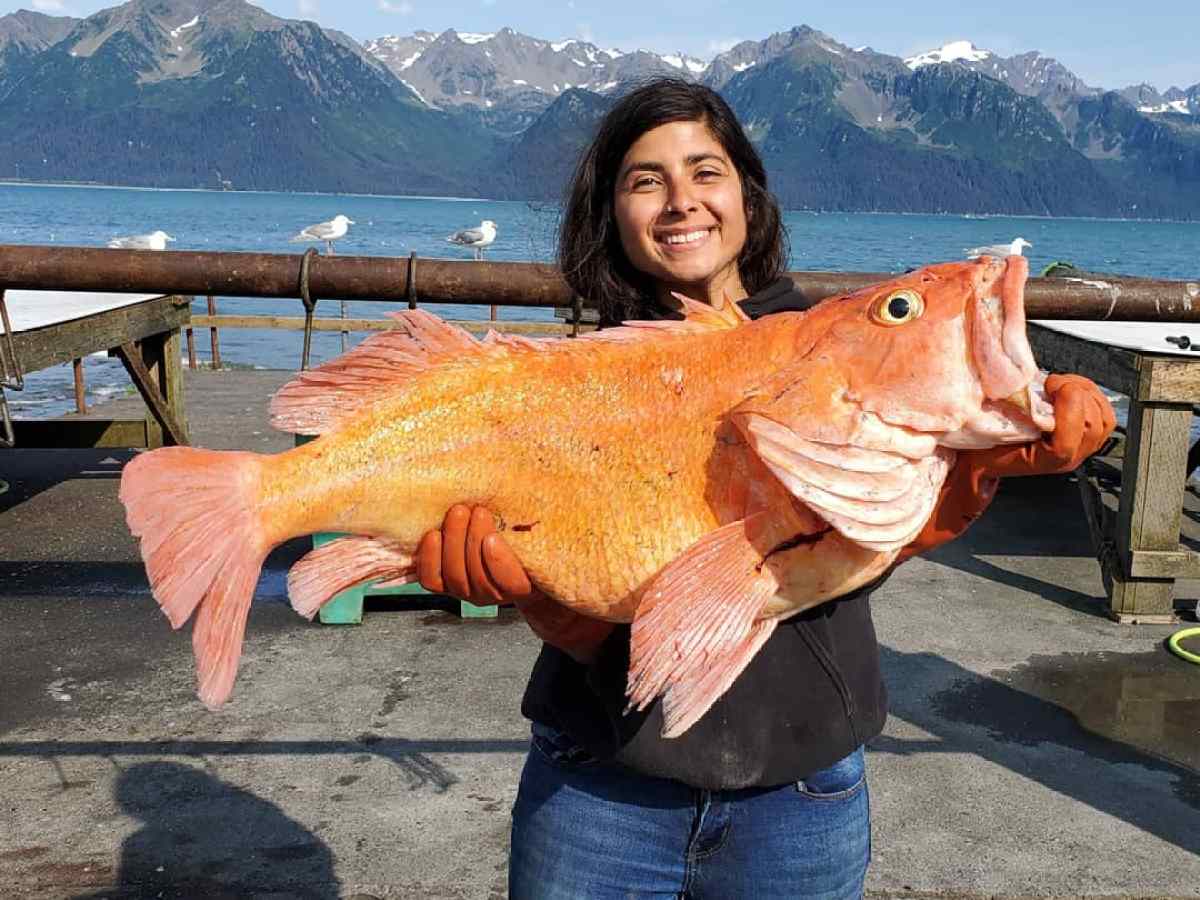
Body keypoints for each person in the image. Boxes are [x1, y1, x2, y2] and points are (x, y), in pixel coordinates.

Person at [414, 78, 1114, 899]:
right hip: (598, 783)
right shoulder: (581, 376)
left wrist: (996, 451)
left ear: (748, 190)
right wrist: (543, 603)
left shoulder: (827, 340)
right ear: (612, 213)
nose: (682, 202)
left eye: (705, 172)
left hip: (800, 793)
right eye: (646, 181)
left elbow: (874, 513)